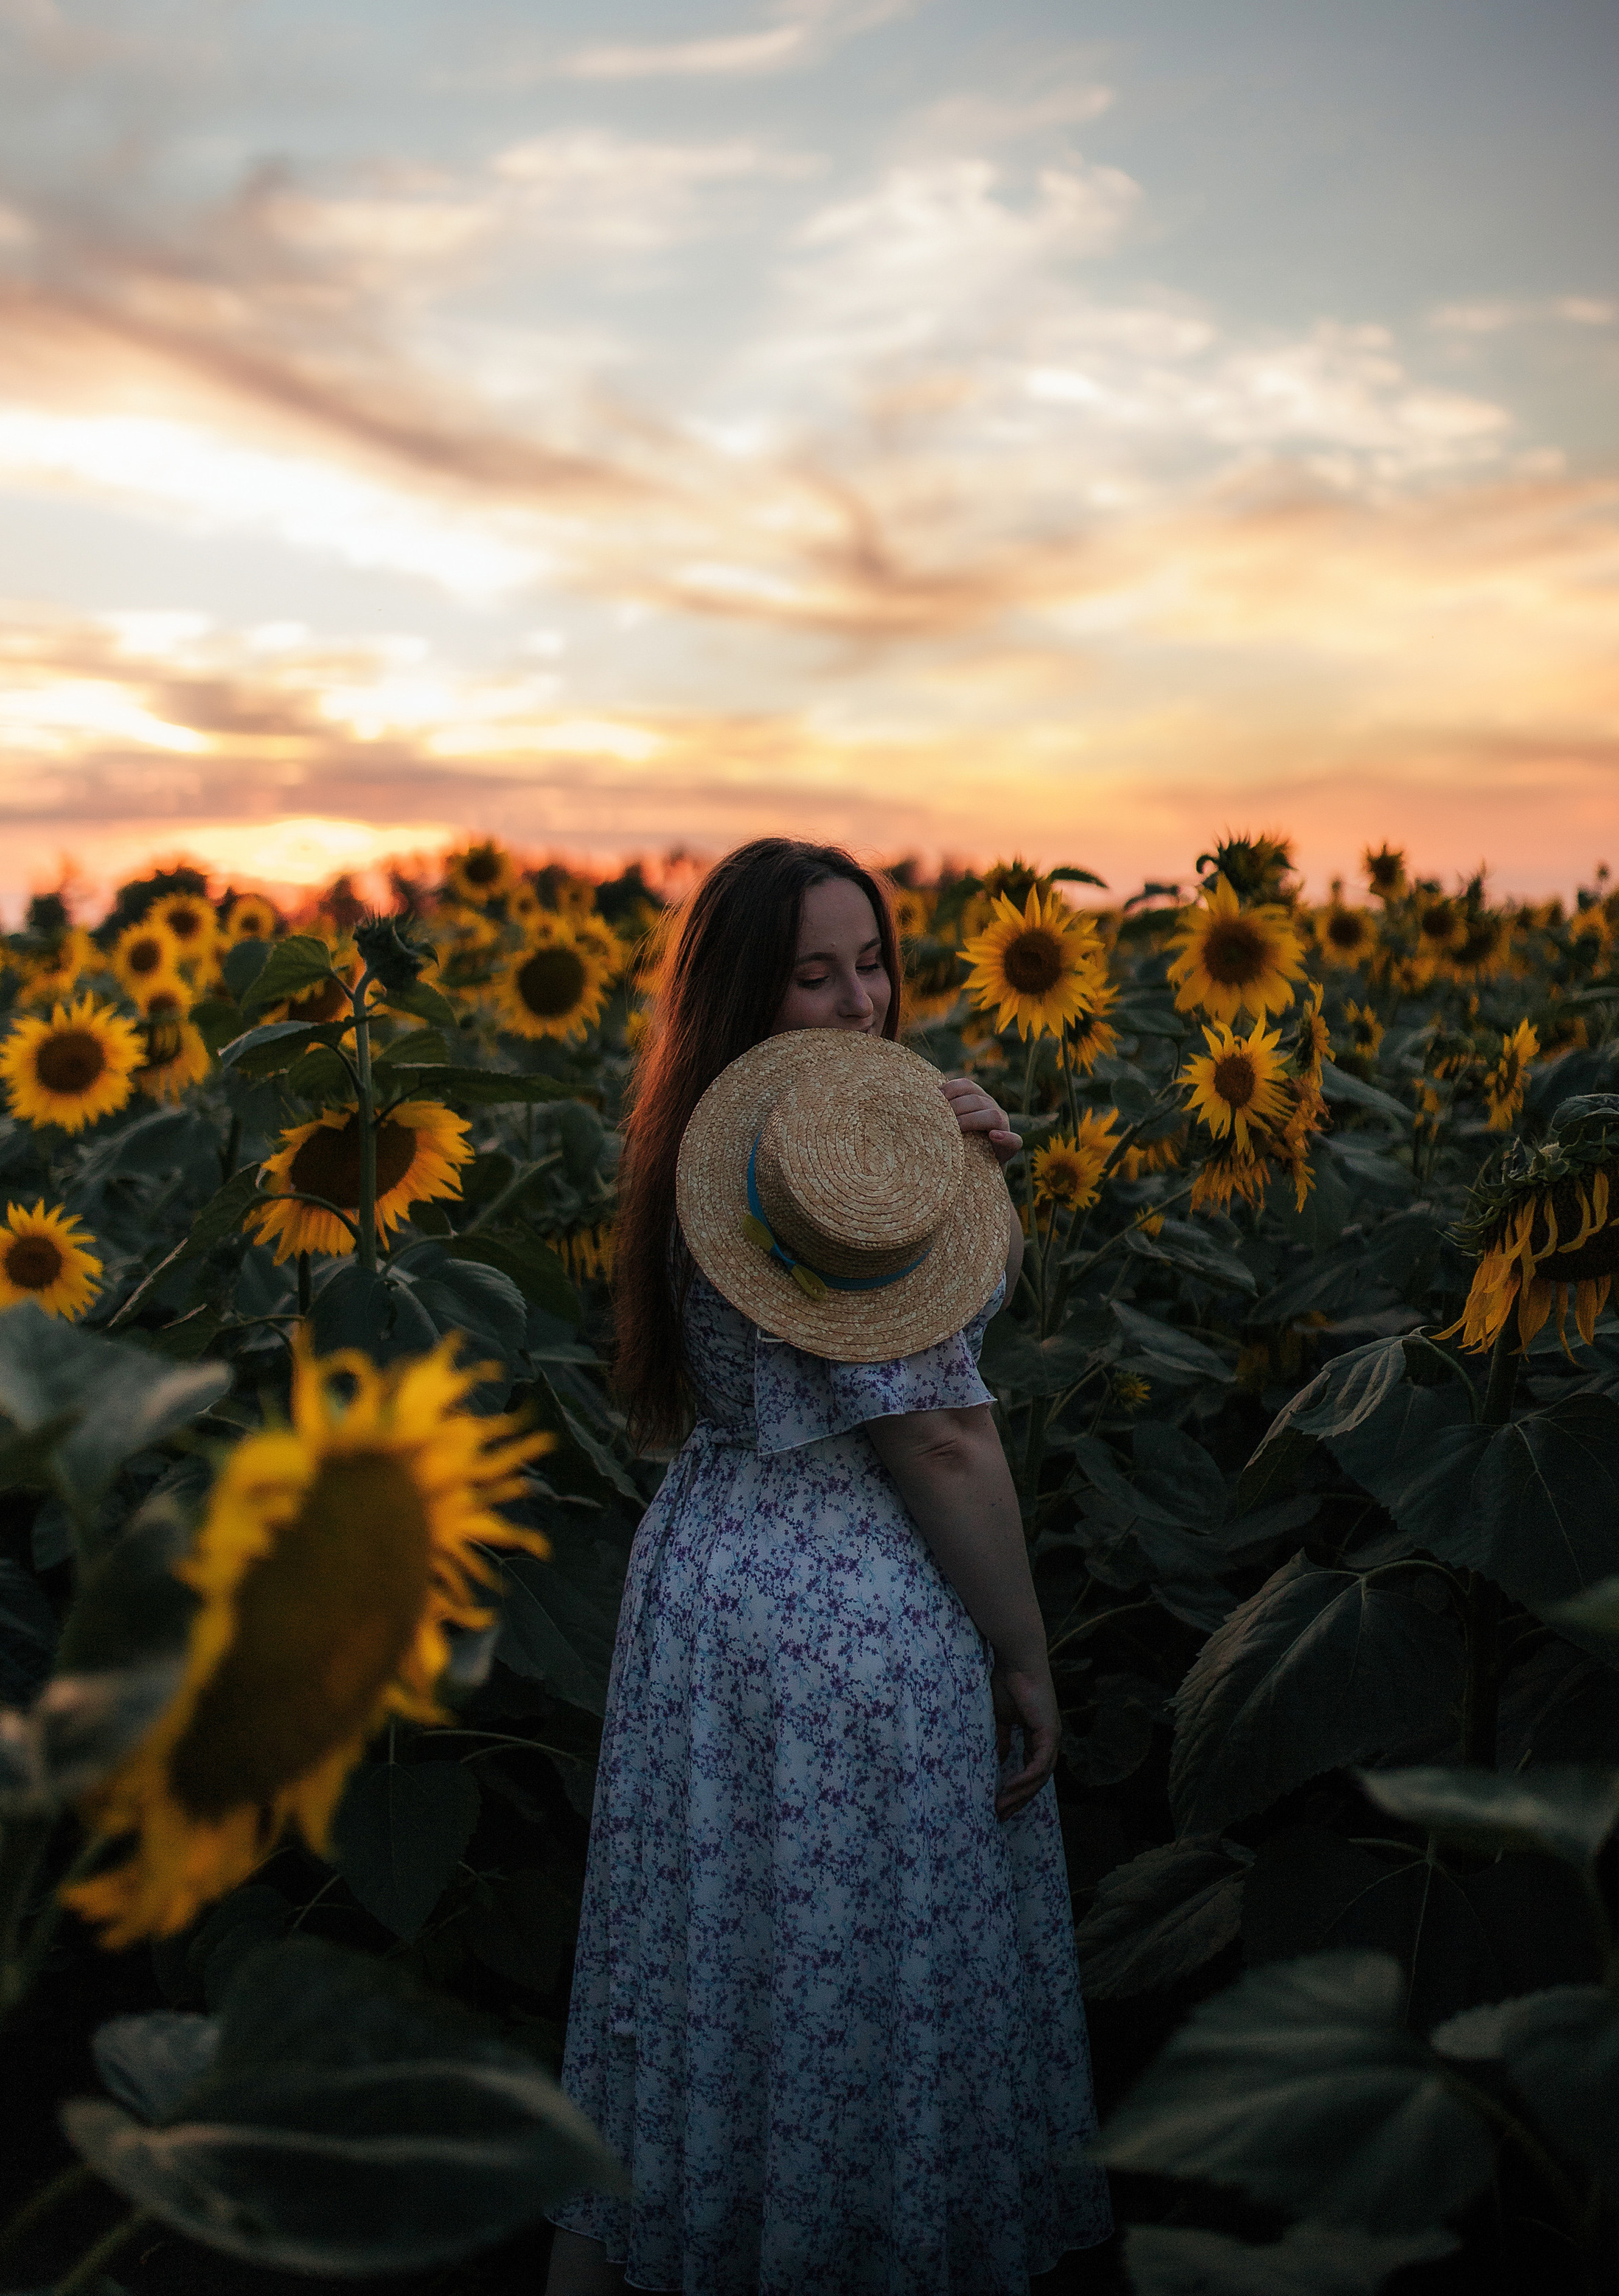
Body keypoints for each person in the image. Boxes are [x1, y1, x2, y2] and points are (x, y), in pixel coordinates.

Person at [544, 838, 1113, 2295]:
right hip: (851, 1617)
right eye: (812, 974)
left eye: (870, 962)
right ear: (744, 986)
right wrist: (1027, 1654)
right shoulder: (821, 1157)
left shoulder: (697, 1130)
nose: (858, 1001)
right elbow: (938, 1440)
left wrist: (970, 1176)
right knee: (862, 1983)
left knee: (726, 1966)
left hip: (709, 1587)